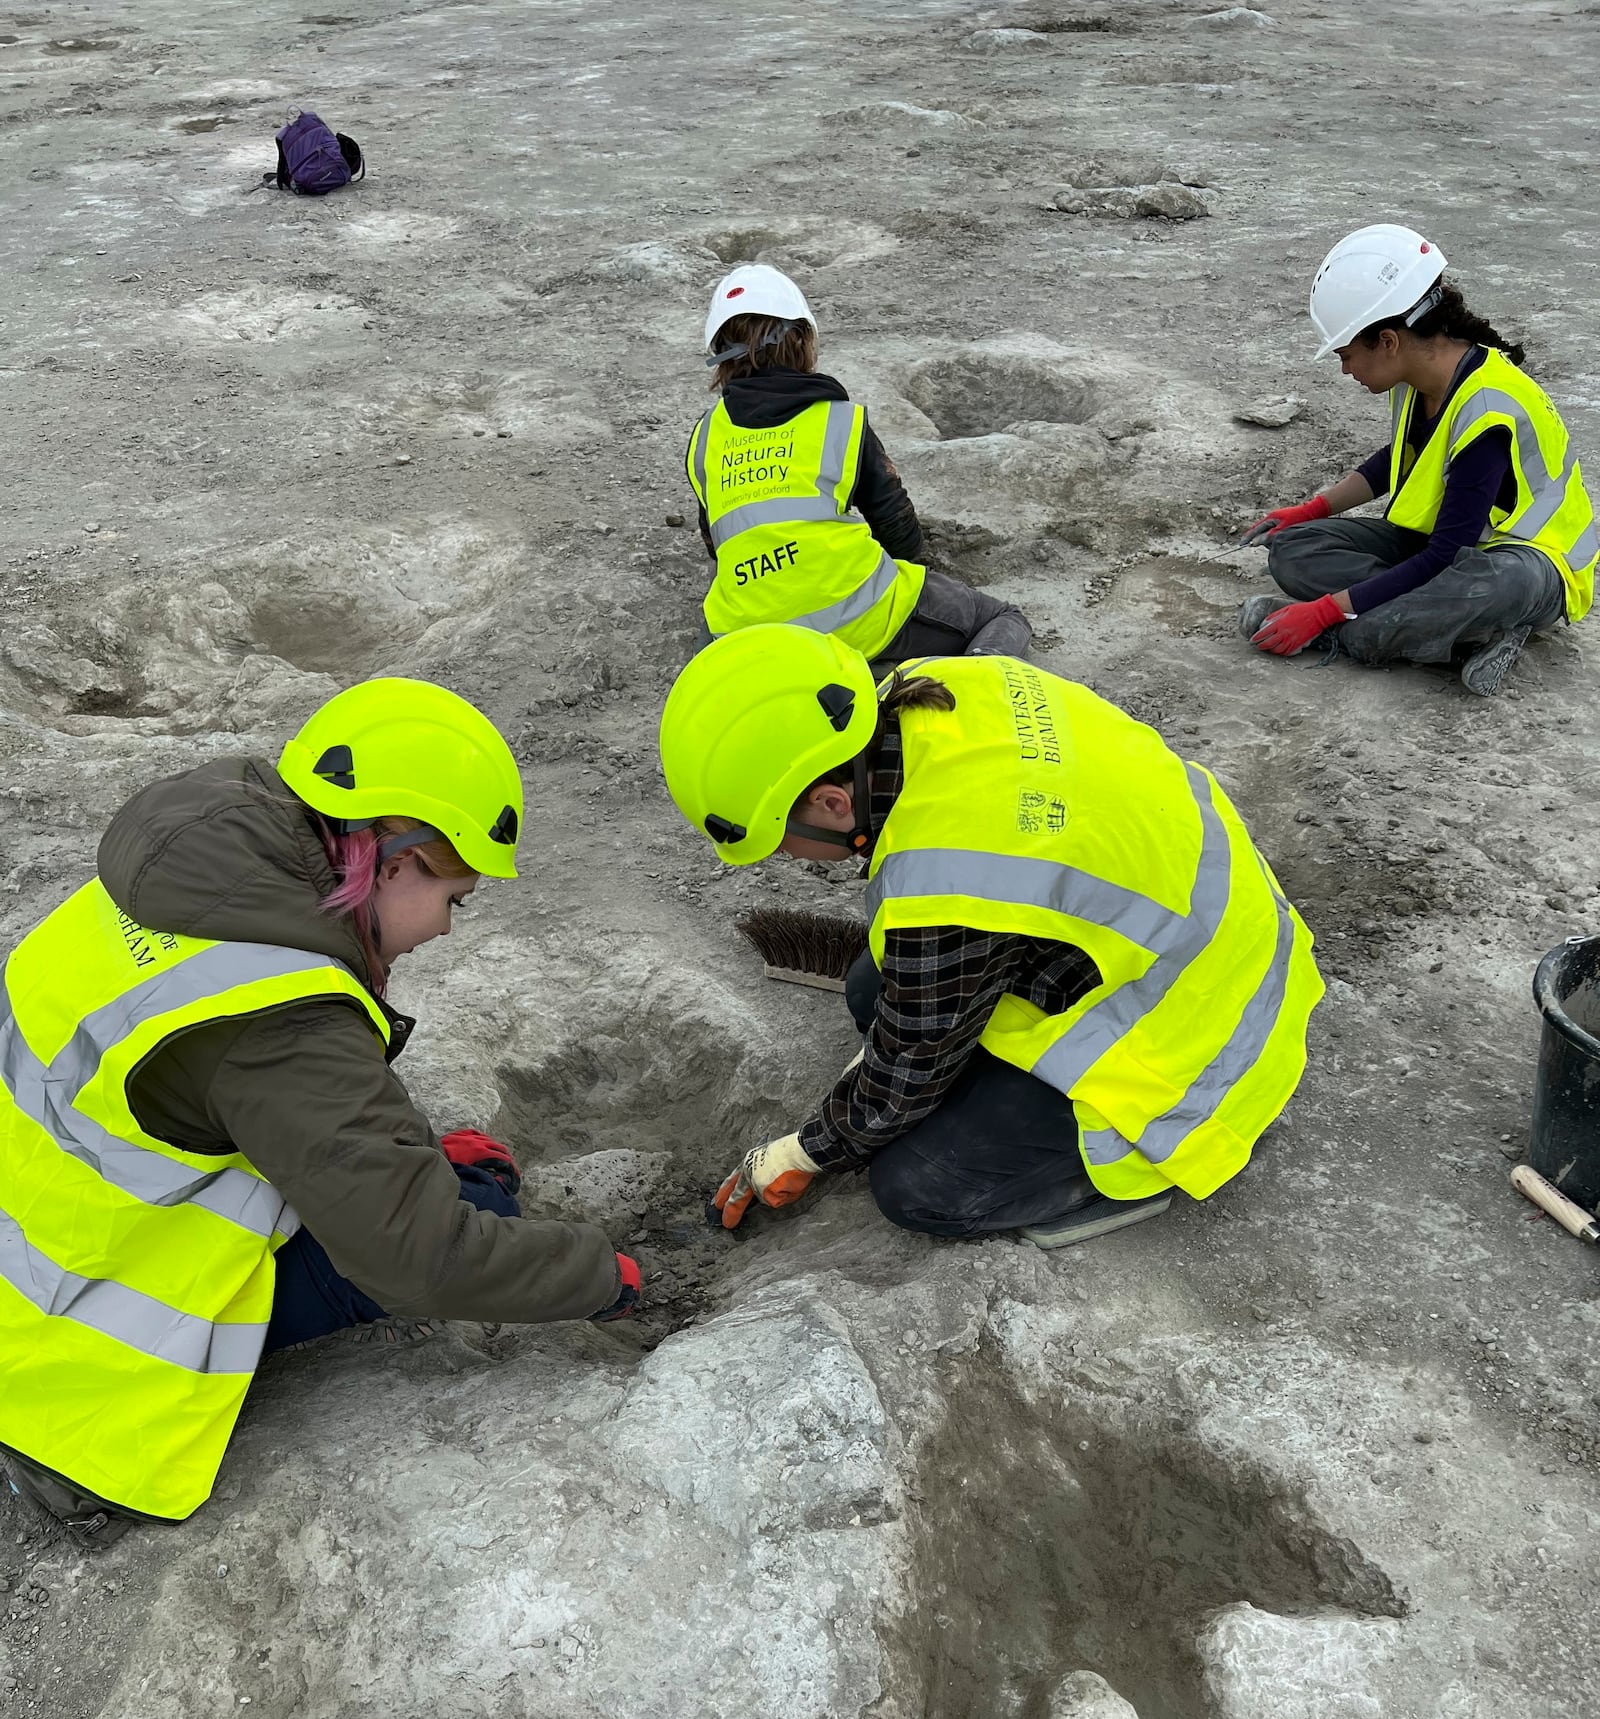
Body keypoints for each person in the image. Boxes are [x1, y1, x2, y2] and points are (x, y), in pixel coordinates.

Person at [0, 678, 639, 1550]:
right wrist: (597, 1272)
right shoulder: (279, 1016)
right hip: (80, 1361)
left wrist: (408, 1151)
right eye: (456, 896)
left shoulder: (199, 868)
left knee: (439, 1181)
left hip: (50, 1234)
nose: (448, 928)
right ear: (399, 855)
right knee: (476, 1210)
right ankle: (76, 1451)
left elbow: (254, 1099)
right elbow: (420, 1259)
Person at [658, 627, 1323, 1245]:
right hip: (1193, 923)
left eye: (784, 841)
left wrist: (804, 1151)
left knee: (917, 1186)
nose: (792, 858)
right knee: (873, 987)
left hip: (1200, 1036)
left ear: (833, 803)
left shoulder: (949, 875)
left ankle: (1123, 1183)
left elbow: (906, 1071)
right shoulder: (937, 686)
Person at [1238, 224, 1596, 696]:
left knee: (1434, 603)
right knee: (1293, 551)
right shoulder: (1417, 379)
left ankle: (1382, 628)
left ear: (1387, 341)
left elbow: (1447, 555)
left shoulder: (1488, 409)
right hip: (1439, 550)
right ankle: (1446, 625)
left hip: (1524, 565)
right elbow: (1399, 459)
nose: (1346, 369)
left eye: (1346, 355)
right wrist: (1310, 512)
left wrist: (1324, 612)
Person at [685, 263, 1031, 670]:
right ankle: (969, 684)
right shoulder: (839, 420)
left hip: (749, 637)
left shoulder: (705, 438)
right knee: (1002, 618)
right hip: (858, 618)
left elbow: (718, 545)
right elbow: (896, 526)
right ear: (801, 340)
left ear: (721, 358)